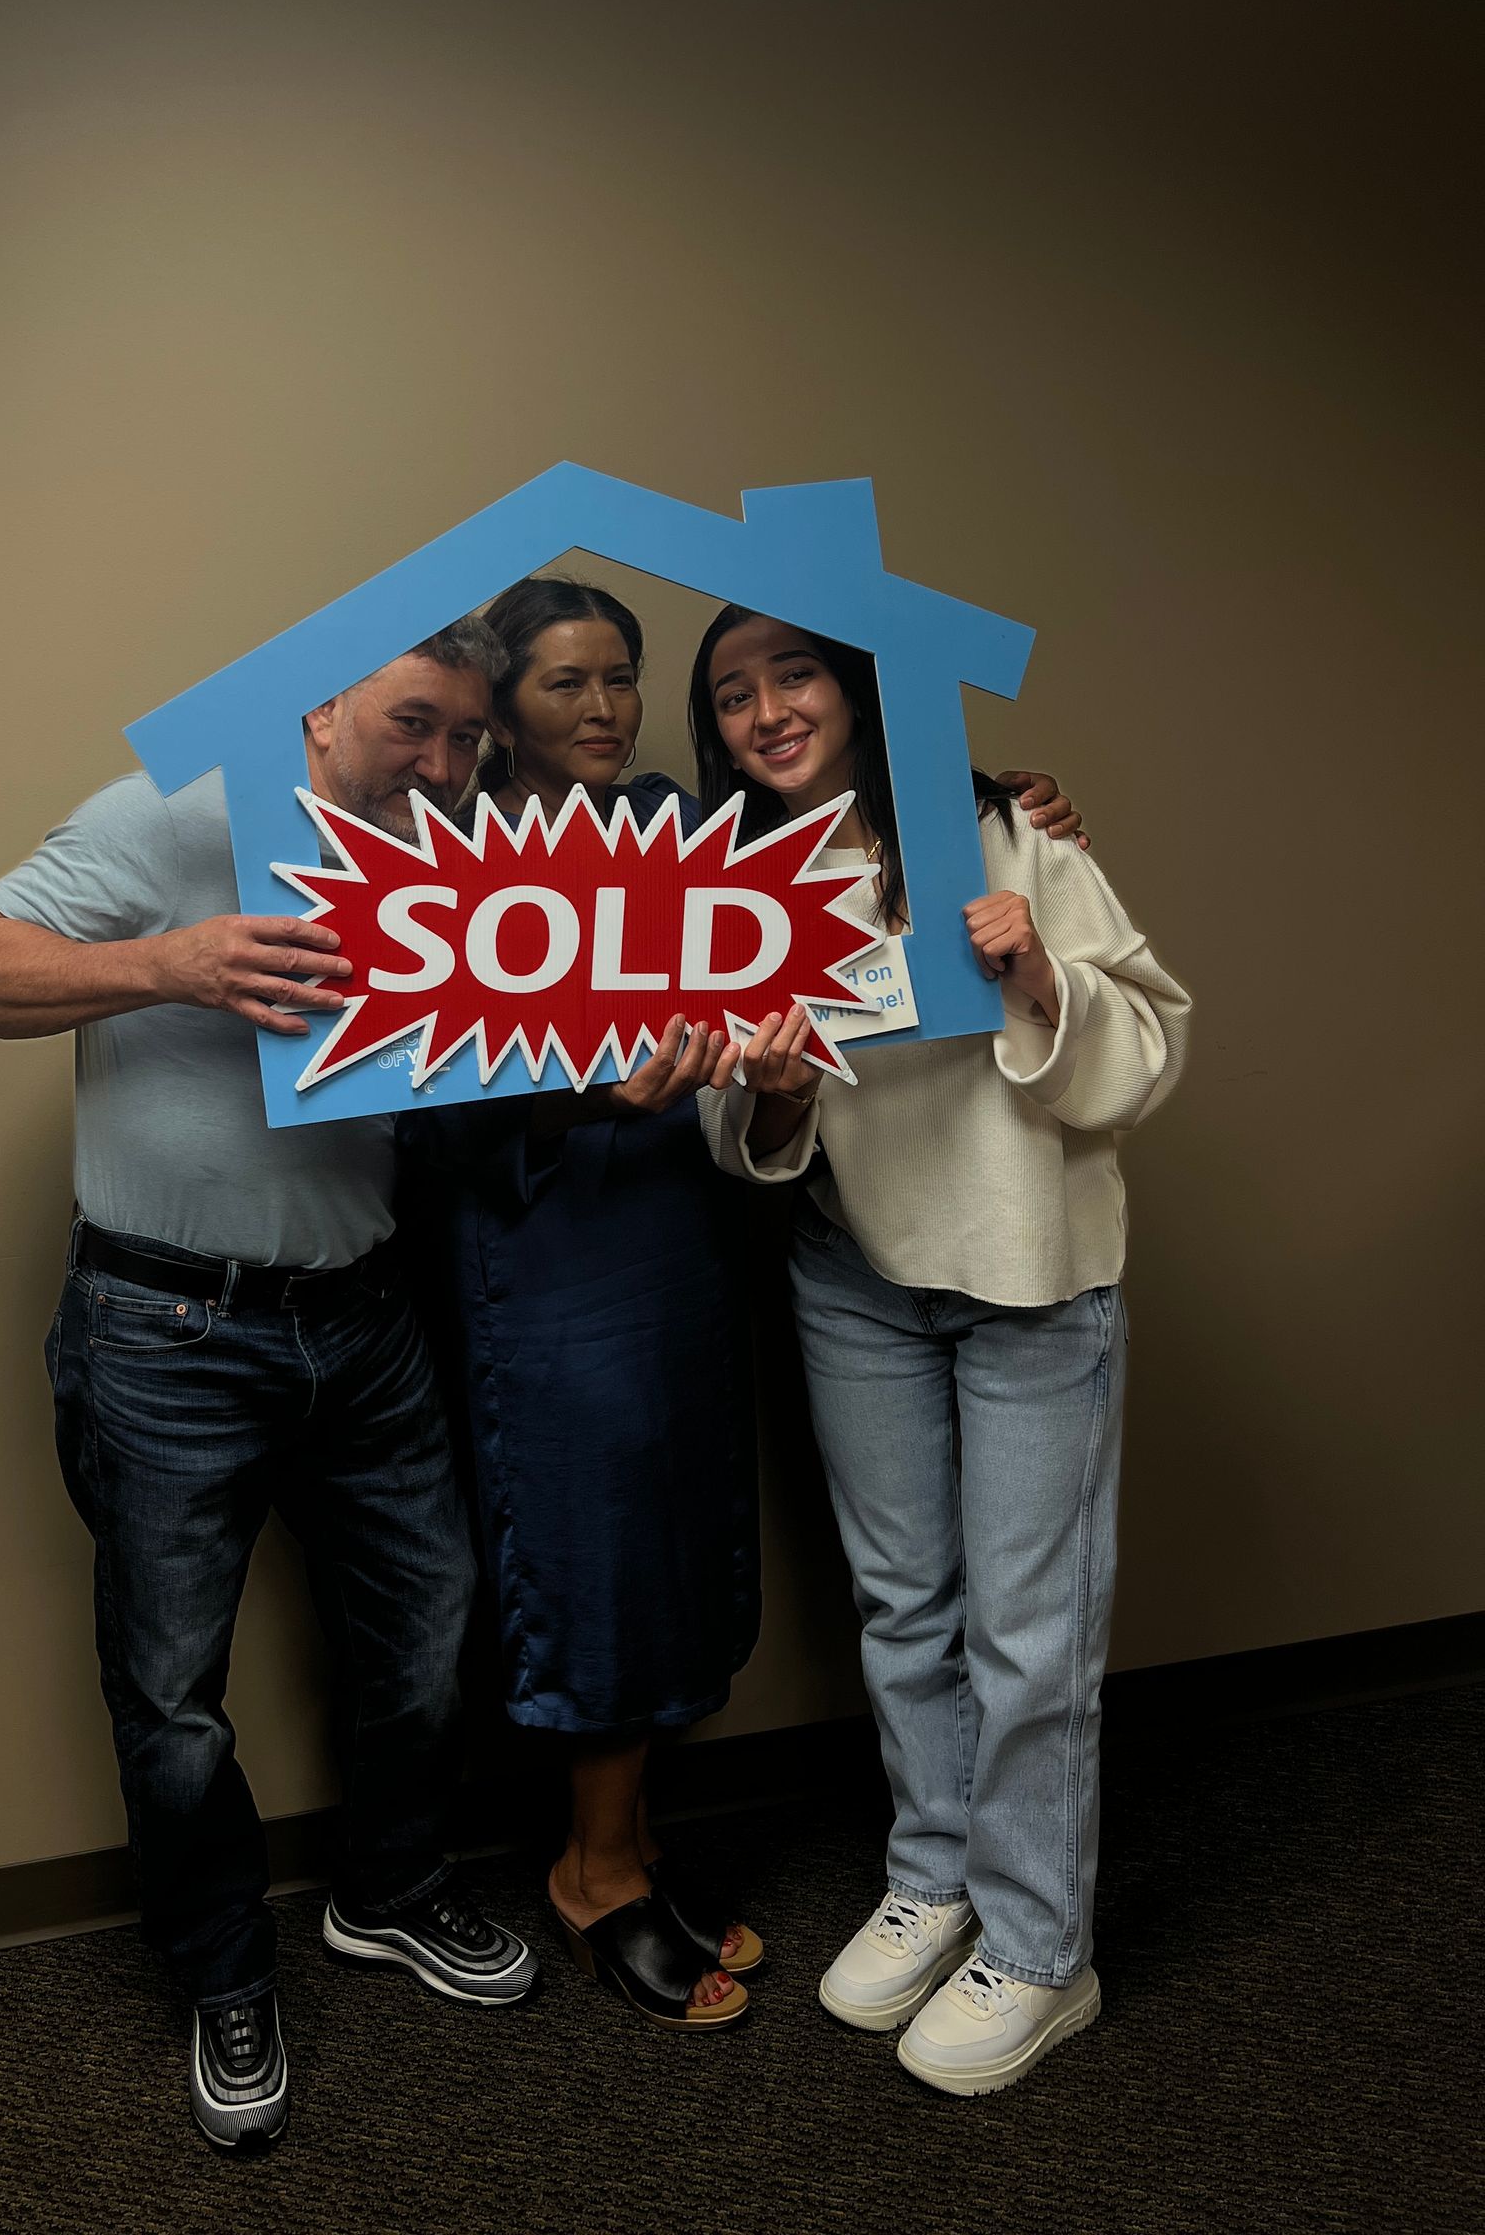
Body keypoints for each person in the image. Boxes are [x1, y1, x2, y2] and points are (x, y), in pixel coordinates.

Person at [398, 577, 1087, 2036]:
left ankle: (632, 1840)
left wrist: (990, 805)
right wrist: (578, 1090)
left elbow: (839, 870)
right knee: (588, 1545)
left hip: (692, 1227)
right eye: (562, 685)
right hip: (549, 1246)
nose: (598, 708)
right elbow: (427, 1113)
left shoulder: (676, 827)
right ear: (500, 710)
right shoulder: (449, 856)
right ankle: (592, 1872)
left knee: (673, 1531)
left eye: (621, 678)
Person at [0, 618, 536, 2157]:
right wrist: (165, 963)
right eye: (414, 725)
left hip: (369, 1318)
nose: (442, 766)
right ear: (323, 705)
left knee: (430, 1633)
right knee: (176, 1703)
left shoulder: (443, 857)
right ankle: (223, 1978)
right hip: (166, 1334)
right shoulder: (175, 813)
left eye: (467, 739)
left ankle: (388, 1895)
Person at [690, 606, 1189, 2097]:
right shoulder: (727, 884)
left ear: (857, 688)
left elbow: (1149, 1049)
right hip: (858, 1275)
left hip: (1031, 1273)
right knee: (904, 1605)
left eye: (794, 677)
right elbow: (746, 1137)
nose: (767, 711)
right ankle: (940, 1876)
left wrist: (1041, 975)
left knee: (1031, 1635)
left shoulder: (1010, 833)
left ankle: (1045, 1954)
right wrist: (773, 1092)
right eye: (730, 696)